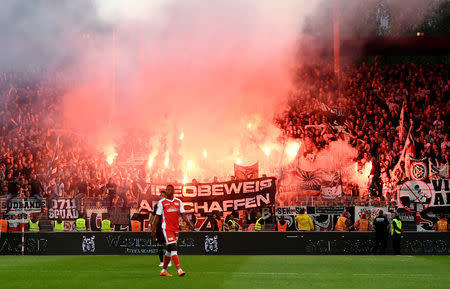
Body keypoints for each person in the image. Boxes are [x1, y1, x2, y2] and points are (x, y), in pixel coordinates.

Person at [152, 185, 195, 277]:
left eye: (169, 190)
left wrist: (190, 224)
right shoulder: (162, 202)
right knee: (174, 247)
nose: (168, 191)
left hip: (176, 228)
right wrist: (153, 231)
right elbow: (157, 218)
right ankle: (179, 270)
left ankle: (163, 270)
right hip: (166, 228)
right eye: (167, 190)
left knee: (169, 250)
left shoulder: (178, 201)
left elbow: (183, 215)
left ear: (173, 191)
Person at [150, 191, 170, 267]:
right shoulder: (157, 205)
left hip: (167, 226)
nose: (161, 196)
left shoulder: (168, 205)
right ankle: (162, 261)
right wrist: (150, 224)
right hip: (159, 227)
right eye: (160, 195)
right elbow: (153, 215)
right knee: (160, 244)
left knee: (169, 244)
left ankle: (168, 261)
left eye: (163, 195)